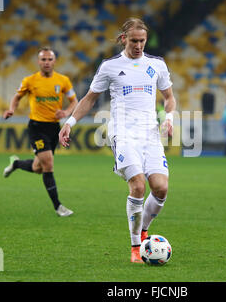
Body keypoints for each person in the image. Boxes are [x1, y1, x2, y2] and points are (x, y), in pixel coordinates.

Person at [59, 17, 176, 263]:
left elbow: (169, 97)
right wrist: (69, 123)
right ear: (124, 39)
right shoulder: (110, 66)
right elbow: (90, 99)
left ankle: (143, 230)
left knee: (161, 188)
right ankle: (136, 247)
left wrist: (169, 118)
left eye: (142, 41)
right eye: (134, 40)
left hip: (149, 133)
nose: (138, 46)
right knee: (137, 185)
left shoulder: (157, 64)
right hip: (122, 133)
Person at [3, 47, 78, 217]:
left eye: (49, 59)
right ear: (38, 62)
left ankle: (16, 164)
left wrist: (66, 113)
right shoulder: (30, 80)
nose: (46, 62)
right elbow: (17, 97)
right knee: (48, 164)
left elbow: (74, 101)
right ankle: (58, 206)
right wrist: (11, 109)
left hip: (53, 128)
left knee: (38, 167)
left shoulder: (63, 80)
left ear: (54, 61)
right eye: (43, 59)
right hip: (36, 127)